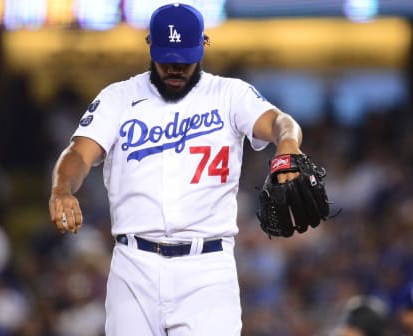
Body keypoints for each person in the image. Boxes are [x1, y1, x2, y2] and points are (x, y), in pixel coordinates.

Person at [49, 3, 304, 335]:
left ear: (202, 47)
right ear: (150, 47)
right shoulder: (119, 98)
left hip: (207, 268)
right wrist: (62, 188)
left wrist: (288, 145)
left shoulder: (229, 95)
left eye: (184, 59)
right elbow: (79, 154)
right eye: (166, 58)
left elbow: (282, 123)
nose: (175, 68)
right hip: (133, 266)